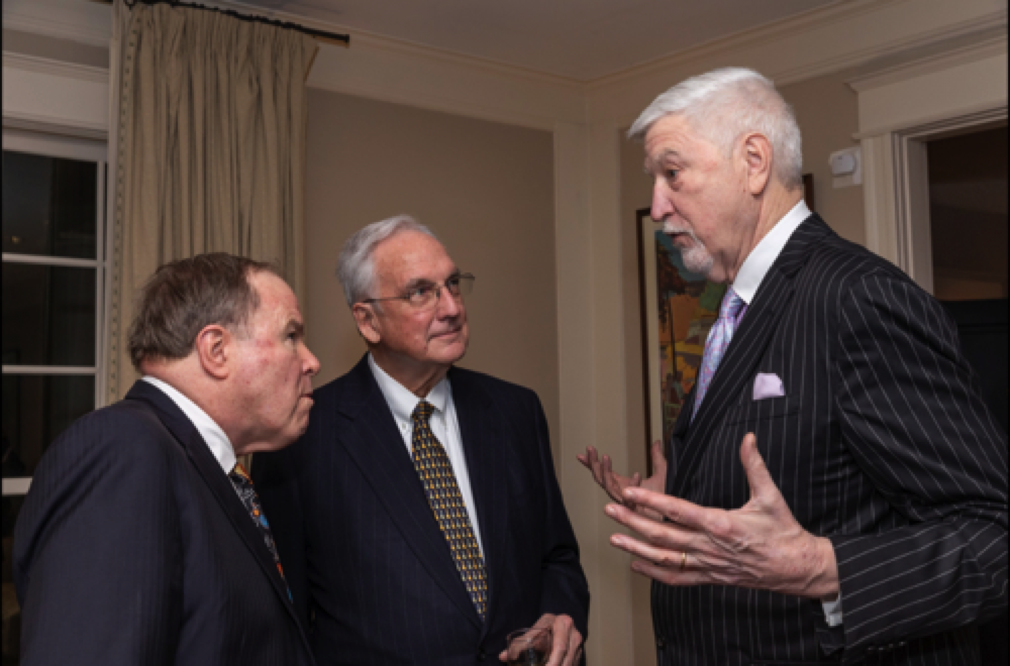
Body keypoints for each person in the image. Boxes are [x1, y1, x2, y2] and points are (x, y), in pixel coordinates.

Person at [580, 68, 1007, 665]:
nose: (656, 206)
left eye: (672, 173)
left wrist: (819, 568)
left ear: (754, 161)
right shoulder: (732, 313)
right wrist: (685, 496)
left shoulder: (858, 298)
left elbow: (994, 537)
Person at [253, 216, 590, 666]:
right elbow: (283, 617)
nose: (452, 307)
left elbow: (557, 556)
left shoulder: (514, 412)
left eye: (452, 284)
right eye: (421, 292)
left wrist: (561, 615)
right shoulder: (302, 435)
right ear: (368, 321)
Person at [14, 253, 321, 665]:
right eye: (291, 336)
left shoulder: (204, 467)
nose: (311, 361)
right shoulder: (124, 449)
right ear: (216, 350)